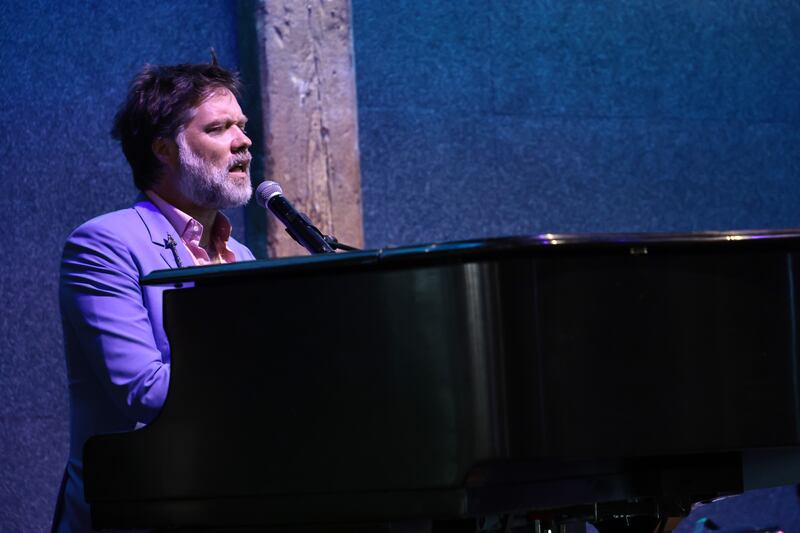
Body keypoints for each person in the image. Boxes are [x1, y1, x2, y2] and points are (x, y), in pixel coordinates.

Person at [52, 61, 256, 532]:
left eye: (242, 126)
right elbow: (144, 391)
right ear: (164, 148)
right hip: (137, 511)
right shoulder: (104, 244)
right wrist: (275, 378)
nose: (243, 141)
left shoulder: (241, 255)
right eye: (219, 128)